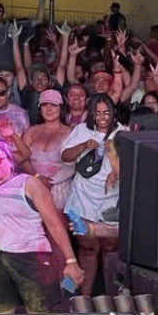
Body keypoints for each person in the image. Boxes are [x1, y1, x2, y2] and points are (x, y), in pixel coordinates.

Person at [0, 140, 83, 315]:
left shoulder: (28, 184)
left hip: (31, 258)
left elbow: (54, 224)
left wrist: (70, 261)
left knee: (39, 314)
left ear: (10, 161)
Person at [60, 93, 123, 297]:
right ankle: (84, 301)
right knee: (87, 250)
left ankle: (111, 299)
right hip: (82, 197)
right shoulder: (81, 130)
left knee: (110, 250)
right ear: (92, 114)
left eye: (107, 113)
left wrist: (112, 156)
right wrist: (84, 145)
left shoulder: (123, 133)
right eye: (98, 113)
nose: (103, 117)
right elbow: (65, 157)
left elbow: (129, 171)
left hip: (111, 199)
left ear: (113, 113)